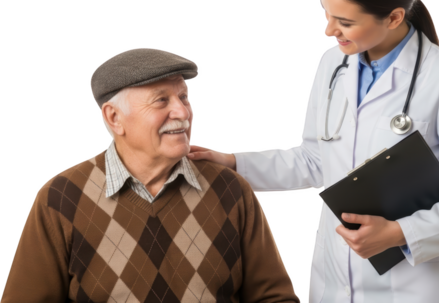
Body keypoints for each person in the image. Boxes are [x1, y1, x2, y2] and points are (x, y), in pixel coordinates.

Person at [186, 0, 439, 302]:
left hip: (412, 288)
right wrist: (232, 165)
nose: (329, 31)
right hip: (334, 282)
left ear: (393, 17)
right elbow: (315, 161)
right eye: (325, 15)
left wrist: (401, 233)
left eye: (345, 22)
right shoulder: (333, 65)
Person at [2, 47, 301, 302]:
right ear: (114, 118)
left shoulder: (230, 189)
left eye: (184, 98)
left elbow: (275, 297)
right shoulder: (61, 197)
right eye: (161, 100)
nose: (183, 113)